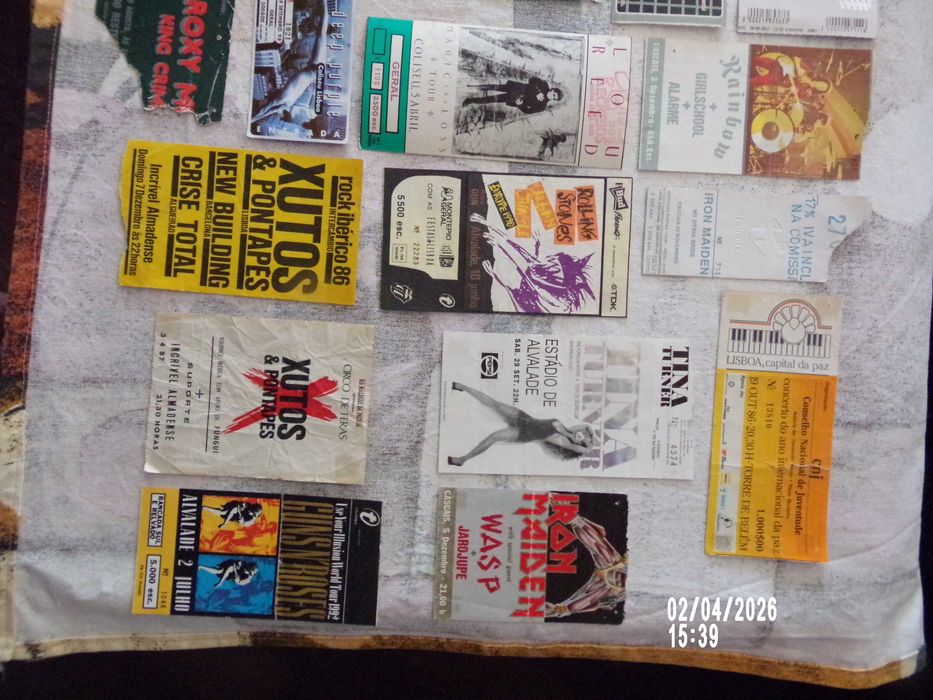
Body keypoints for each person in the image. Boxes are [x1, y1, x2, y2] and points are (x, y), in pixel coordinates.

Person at [446, 382, 596, 466]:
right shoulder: (567, 429)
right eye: (584, 435)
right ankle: (462, 387)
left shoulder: (565, 442)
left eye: (583, 439)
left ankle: (462, 460)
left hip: (523, 434)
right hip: (523, 418)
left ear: (578, 443)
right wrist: (592, 435)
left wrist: (589, 443)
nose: (583, 435)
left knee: (493, 437)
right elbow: (587, 426)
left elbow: (587, 450)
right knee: (494, 404)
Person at [545, 514, 627, 619]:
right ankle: (575, 520)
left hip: (610, 582)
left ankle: (575, 520)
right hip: (612, 572)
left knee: (570, 607)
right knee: (600, 548)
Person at [463, 78, 563, 114]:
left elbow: (528, 111)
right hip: (515, 88)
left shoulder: (542, 106)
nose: (552, 97)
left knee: (491, 99)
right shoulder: (544, 85)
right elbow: (531, 80)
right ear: (553, 90)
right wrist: (538, 91)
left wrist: (520, 105)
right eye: (554, 95)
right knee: (494, 87)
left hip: (514, 99)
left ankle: (470, 100)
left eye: (554, 98)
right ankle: (474, 87)